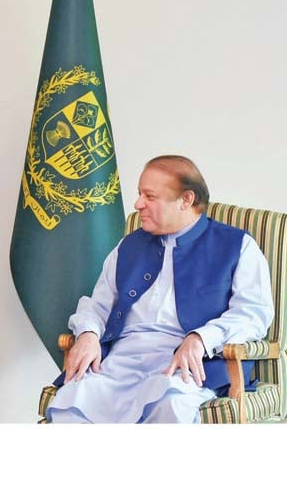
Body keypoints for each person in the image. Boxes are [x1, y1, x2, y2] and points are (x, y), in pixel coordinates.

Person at [46, 155, 274, 423]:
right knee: (75, 399)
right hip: (120, 363)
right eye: (140, 194)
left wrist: (201, 338)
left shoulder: (238, 246)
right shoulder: (128, 246)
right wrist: (87, 334)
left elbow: (253, 313)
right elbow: (98, 305)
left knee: (170, 400)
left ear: (186, 200)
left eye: (150, 196)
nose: (138, 204)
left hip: (184, 367)